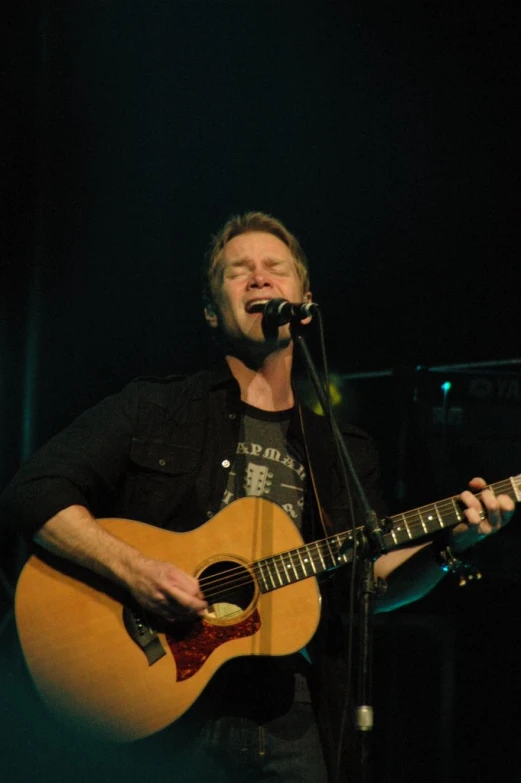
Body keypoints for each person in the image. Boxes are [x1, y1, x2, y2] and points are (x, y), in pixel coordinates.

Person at [0, 211, 515, 783]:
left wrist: (451, 546)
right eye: (238, 272)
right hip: (162, 713)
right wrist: (138, 570)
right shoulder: (154, 408)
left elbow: (367, 584)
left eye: (276, 269)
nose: (260, 279)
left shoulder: (342, 449)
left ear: (305, 300)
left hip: (288, 713)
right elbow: (33, 491)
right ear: (210, 311)